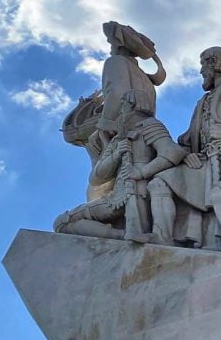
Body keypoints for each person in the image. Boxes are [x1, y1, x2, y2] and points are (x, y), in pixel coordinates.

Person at [143, 47, 221, 246]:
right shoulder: (203, 101)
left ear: (214, 63)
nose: (201, 72)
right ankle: (162, 238)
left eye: (203, 65)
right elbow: (187, 140)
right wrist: (185, 154)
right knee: (159, 182)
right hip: (205, 161)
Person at [54, 90, 186, 240]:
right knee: (62, 223)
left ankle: (132, 235)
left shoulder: (149, 125)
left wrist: (142, 173)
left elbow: (172, 153)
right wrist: (116, 154)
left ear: (131, 105)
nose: (118, 112)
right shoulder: (118, 138)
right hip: (116, 198)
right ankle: (119, 236)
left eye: (121, 106)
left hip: (141, 190)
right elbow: (96, 178)